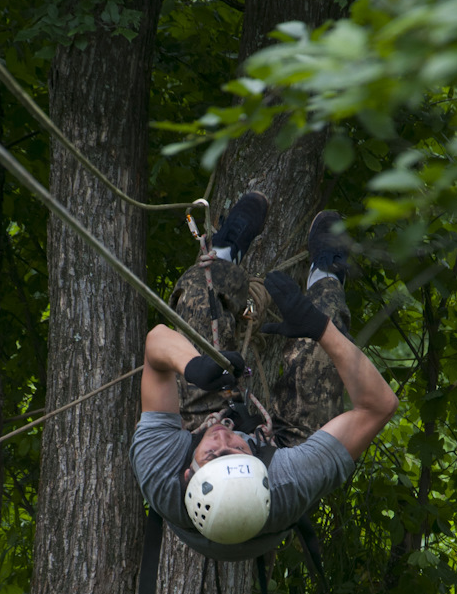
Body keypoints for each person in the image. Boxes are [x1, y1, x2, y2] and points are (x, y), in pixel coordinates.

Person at [131, 192, 399, 569]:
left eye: (212, 452)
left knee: (195, 300)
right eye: (236, 449)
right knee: (322, 353)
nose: (224, 434)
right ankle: (327, 275)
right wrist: (318, 328)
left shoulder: (160, 468)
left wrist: (193, 366)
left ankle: (222, 257)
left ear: (189, 471)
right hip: (272, 468)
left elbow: (157, 342)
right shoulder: (291, 478)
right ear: (257, 460)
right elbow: (379, 407)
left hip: (204, 454)